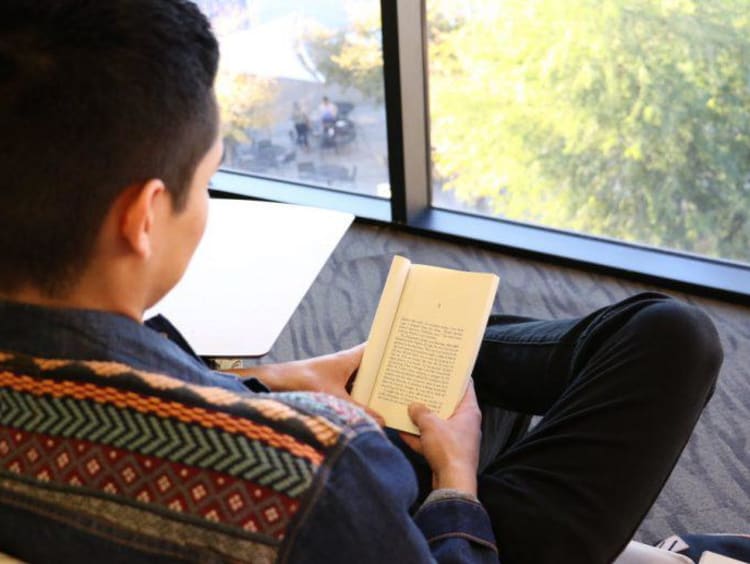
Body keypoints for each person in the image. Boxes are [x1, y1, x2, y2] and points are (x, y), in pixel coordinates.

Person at [0, 2, 723, 563]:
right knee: (671, 338)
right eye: (210, 177)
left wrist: (270, 379)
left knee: (444, 365)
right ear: (145, 217)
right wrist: (456, 483)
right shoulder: (314, 472)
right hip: (398, 523)